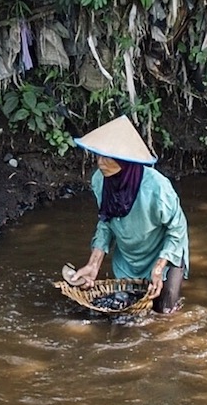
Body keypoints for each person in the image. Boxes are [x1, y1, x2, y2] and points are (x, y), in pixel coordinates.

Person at [70, 115, 189, 313]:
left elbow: (177, 229)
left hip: (163, 256)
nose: (100, 163)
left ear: (124, 161)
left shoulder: (157, 188)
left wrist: (159, 268)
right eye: (98, 155)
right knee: (125, 315)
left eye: (107, 157)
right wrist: (93, 264)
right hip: (128, 259)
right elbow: (105, 221)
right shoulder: (100, 181)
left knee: (165, 312)